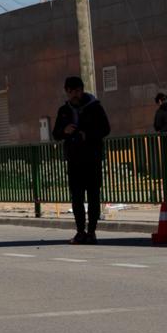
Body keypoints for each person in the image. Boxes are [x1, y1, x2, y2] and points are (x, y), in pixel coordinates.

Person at [54, 76, 110, 244]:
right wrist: (65, 130)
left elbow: (105, 129)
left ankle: (91, 232)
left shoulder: (95, 108)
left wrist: (88, 134)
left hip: (92, 158)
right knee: (76, 197)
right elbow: (55, 134)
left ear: (82, 90)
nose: (75, 95)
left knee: (94, 196)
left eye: (78, 91)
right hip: (74, 160)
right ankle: (80, 231)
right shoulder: (63, 111)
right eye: (71, 92)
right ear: (67, 92)